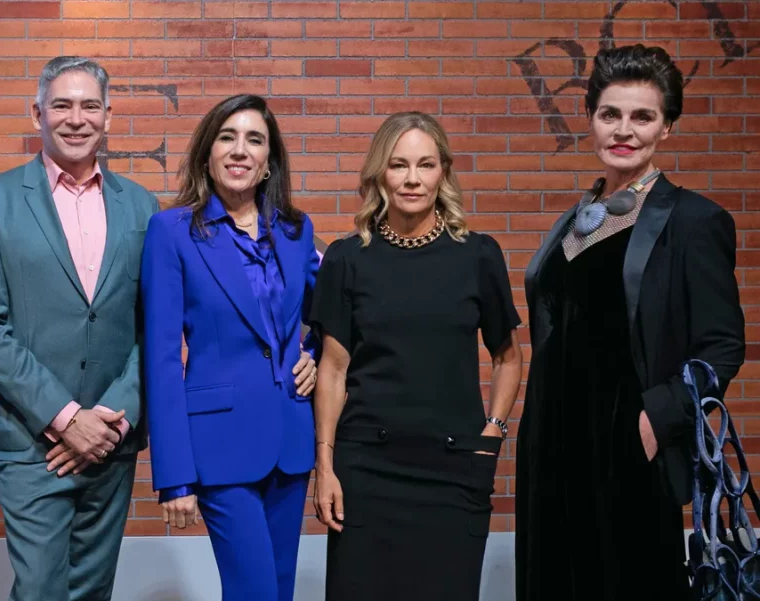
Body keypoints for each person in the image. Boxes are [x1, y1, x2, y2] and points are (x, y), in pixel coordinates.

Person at [515, 44, 746, 601]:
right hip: (551, 442)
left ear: (666, 127)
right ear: (591, 119)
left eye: (642, 116)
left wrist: (656, 418)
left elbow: (722, 346)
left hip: (628, 445)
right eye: (610, 114)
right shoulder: (573, 219)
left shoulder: (694, 221)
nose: (624, 130)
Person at [0, 56, 159, 601]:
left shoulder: (142, 206)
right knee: (42, 590)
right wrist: (67, 419)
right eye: (62, 105)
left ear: (108, 116)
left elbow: (156, 330)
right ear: (37, 113)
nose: (76, 118)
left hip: (111, 442)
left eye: (89, 105)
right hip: (31, 442)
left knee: (93, 592)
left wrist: (111, 421)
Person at [309, 111, 523, 601]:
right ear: (379, 173)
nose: (411, 179)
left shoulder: (478, 255)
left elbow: (508, 356)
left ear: (443, 171)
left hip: (453, 469)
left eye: (425, 165)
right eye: (398, 165)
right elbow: (334, 369)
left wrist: (494, 431)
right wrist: (326, 465)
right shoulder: (347, 259)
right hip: (366, 469)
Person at [141, 94, 320, 601]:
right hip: (218, 446)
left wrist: (316, 354)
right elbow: (160, 359)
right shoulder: (171, 232)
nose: (240, 150)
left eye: (254, 140)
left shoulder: (295, 230)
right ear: (207, 153)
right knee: (255, 593)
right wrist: (174, 477)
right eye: (227, 137)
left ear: (268, 162)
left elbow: (335, 313)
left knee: (279, 591)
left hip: (290, 440)